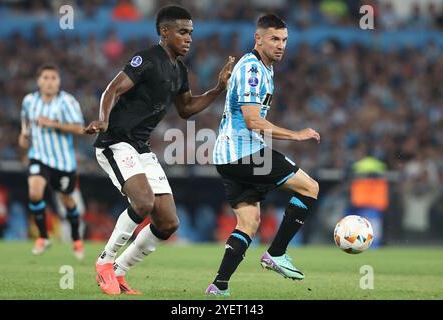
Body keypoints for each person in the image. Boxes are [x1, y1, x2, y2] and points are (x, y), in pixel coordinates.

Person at [85, 5, 234, 295]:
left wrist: (217, 89)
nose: (189, 38)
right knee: (142, 201)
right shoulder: (148, 60)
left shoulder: (179, 70)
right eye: (182, 32)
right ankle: (105, 262)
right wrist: (103, 120)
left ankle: (119, 271)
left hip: (140, 147)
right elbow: (112, 90)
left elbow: (187, 108)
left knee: (168, 222)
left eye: (191, 33)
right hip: (115, 142)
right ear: (164, 32)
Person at [206, 14, 320, 296]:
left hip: (229, 156)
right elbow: (253, 121)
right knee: (310, 188)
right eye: (274, 39)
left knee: (248, 223)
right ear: (258, 38)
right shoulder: (253, 70)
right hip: (243, 153)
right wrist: (296, 135)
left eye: (284, 40)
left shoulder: (264, 68)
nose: (281, 45)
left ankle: (219, 285)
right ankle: (277, 253)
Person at [18, 64, 85, 260]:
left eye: (53, 78)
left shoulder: (67, 102)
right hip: (38, 156)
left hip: (63, 162)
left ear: (59, 82)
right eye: (45, 78)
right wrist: (23, 135)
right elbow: (26, 123)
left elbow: (79, 128)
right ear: (38, 81)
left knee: (67, 200)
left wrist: (52, 123)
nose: (49, 82)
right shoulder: (29, 101)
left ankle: (76, 238)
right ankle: (43, 237)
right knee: (35, 192)